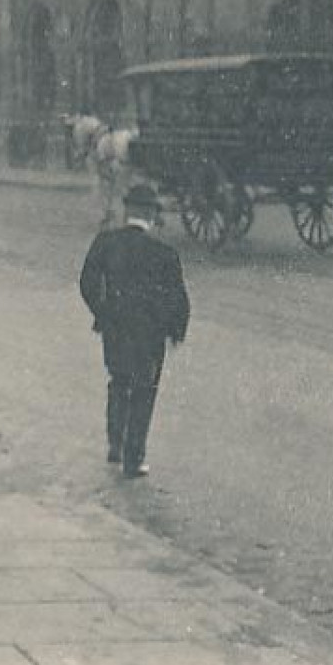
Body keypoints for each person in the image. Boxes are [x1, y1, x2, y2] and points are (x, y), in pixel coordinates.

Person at [78, 184, 191, 478]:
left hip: (114, 329)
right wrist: (173, 329)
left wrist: (102, 313)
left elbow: (87, 283)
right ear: (152, 215)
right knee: (144, 391)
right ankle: (134, 458)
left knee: (118, 382)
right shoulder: (164, 253)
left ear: (127, 212)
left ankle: (115, 445)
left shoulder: (105, 242)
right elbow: (178, 298)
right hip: (149, 336)